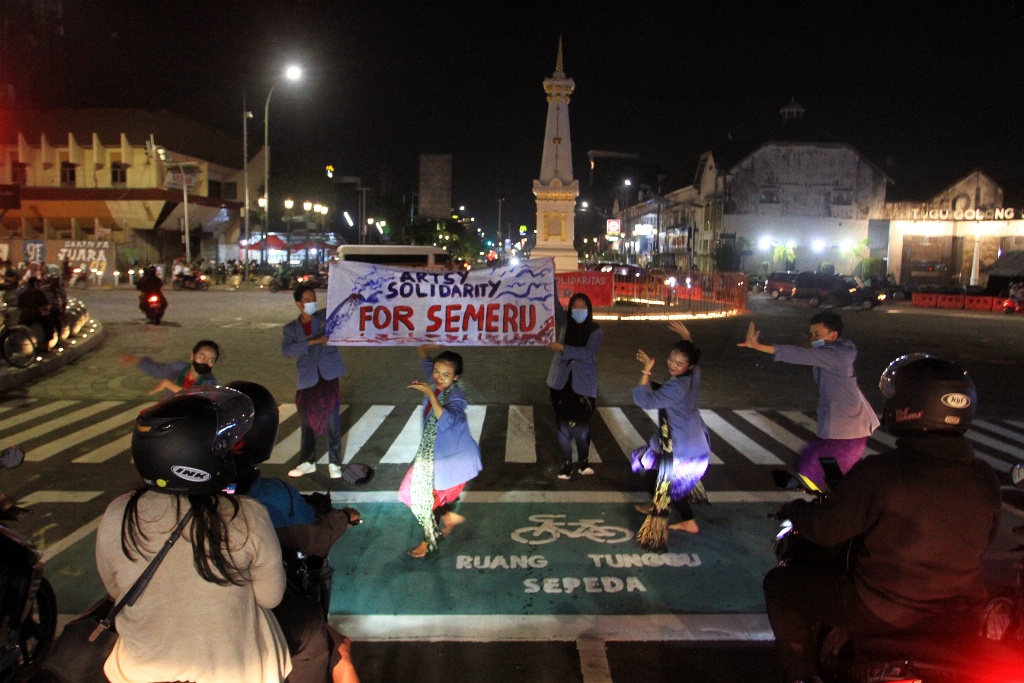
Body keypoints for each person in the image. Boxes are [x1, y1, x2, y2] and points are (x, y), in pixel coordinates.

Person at [763, 355, 1001, 683]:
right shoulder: (983, 475)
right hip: (960, 613)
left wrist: (795, 511)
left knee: (778, 585)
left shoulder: (881, 472)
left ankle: (801, 676)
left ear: (908, 406)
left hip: (882, 610)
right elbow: (987, 536)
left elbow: (827, 529)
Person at [95, 386, 291, 683]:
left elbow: (114, 589)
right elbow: (270, 597)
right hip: (235, 673)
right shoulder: (247, 515)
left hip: (138, 673)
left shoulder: (118, 514)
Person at [226, 380, 361, 683]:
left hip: (175, 631)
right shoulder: (269, 496)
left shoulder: (144, 505)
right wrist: (343, 518)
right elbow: (316, 540)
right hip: (246, 615)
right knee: (337, 649)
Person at [738, 311, 879, 488]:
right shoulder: (835, 349)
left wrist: (759, 346)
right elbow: (807, 352)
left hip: (848, 430)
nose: (812, 338)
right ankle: (815, 493)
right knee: (810, 458)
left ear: (833, 335)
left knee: (818, 469)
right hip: (842, 426)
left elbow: (800, 355)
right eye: (811, 333)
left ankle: (822, 499)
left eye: (817, 334)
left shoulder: (836, 357)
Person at [630, 322, 711, 550]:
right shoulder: (694, 374)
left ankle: (688, 522)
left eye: (679, 363)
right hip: (693, 441)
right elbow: (691, 358)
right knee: (649, 465)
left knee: (661, 478)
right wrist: (687, 336)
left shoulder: (677, 388)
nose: (673, 365)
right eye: (671, 360)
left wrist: (646, 371)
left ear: (688, 365)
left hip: (683, 451)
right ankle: (657, 501)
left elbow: (644, 400)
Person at [401, 346, 482, 558]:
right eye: (437, 372)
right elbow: (427, 362)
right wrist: (424, 347)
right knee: (416, 494)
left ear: (456, 377)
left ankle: (429, 541)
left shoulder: (456, 398)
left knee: (423, 498)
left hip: (450, 461)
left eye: (446, 375)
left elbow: (447, 419)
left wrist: (429, 392)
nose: (438, 377)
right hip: (433, 456)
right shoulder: (436, 379)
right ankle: (448, 516)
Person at [283, 284, 348, 479]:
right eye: (307, 300)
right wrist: (314, 341)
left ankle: (335, 463)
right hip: (308, 378)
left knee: (332, 421)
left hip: (328, 375)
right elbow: (287, 350)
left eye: (314, 298)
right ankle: (307, 462)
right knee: (307, 421)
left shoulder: (325, 317)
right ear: (298, 304)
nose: (312, 302)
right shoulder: (291, 328)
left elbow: (344, 313)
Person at [546, 292, 603, 480]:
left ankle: (583, 461)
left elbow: (587, 352)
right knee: (562, 426)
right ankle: (566, 464)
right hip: (560, 381)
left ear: (589, 309)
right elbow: (553, 304)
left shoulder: (595, 330)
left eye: (583, 307)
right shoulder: (565, 322)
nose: (579, 311)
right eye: (575, 307)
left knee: (582, 426)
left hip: (583, 384)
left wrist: (562, 348)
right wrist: (550, 276)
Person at [119, 339, 220, 396]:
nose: (206, 362)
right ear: (192, 356)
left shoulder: (210, 382)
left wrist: (169, 385)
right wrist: (137, 360)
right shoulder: (179, 368)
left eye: (211, 360)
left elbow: (198, 396)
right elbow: (158, 369)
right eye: (202, 357)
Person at [15, 276, 55, 351]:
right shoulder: (24, 294)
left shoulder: (39, 293)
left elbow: (45, 305)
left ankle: (46, 345)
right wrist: (28, 310)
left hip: (39, 315)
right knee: (20, 328)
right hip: (28, 315)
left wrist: (39, 310)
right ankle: (19, 345)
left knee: (49, 326)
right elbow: (20, 306)